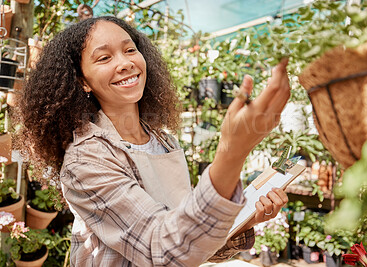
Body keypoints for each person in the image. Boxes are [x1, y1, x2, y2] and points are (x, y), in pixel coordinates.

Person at [17, 16, 290, 266]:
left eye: (129, 50)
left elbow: (189, 243)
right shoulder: (86, 160)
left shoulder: (163, 141)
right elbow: (162, 250)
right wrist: (232, 152)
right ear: (83, 82)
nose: (124, 63)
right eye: (103, 58)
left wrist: (244, 219)